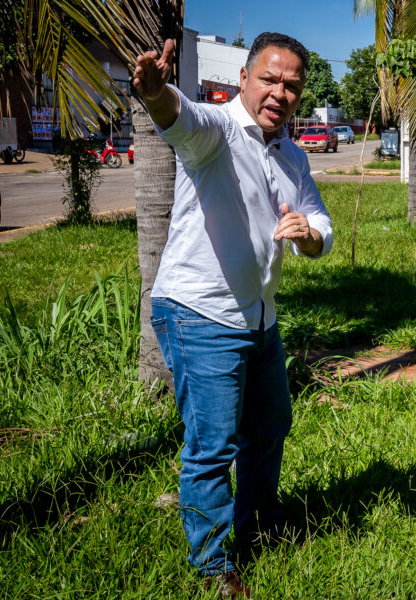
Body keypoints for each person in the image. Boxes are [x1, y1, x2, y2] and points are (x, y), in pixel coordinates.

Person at [133, 32, 333, 597]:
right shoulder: (218, 132)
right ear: (244, 79)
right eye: (268, 79)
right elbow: (182, 119)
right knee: (214, 444)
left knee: (269, 429)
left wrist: (310, 237)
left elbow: (321, 224)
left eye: (291, 84)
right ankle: (213, 566)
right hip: (201, 313)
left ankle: (258, 528)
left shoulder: (292, 155)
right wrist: (154, 92)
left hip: (259, 318)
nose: (279, 92)